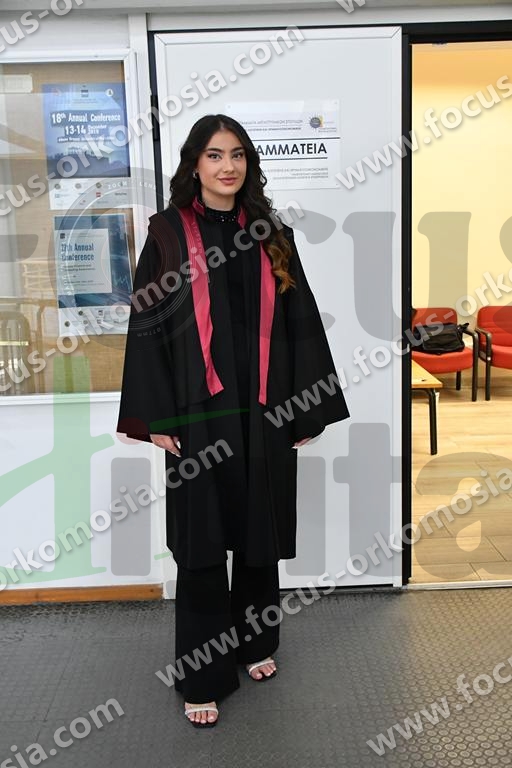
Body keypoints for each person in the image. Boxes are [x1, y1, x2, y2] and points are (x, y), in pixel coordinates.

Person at [116, 113, 350, 727]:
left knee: (257, 532)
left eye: (238, 155)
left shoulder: (271, 232)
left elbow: (300, 317)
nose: (228, 166)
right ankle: (203, 675)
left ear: (249, 163)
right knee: (201, 544)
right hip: (198, 413)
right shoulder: (169, 233)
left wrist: (307, 406)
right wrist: (157, 415)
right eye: (215, 155)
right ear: (194, 164)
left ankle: (255, 641)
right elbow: (147, 324)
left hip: (265, 409)